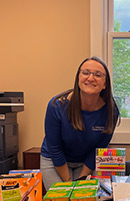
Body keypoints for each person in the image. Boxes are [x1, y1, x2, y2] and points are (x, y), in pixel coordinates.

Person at [40, 56, 120, 191]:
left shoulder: (111, 111)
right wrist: (69, 184)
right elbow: (55, 148)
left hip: (86, 162)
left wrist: (81, 180)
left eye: (98, 75)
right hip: (54, 161)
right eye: (86, 73)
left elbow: (98, 149)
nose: (90, 78)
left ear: (105, 84)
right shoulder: (56, 106)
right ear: (78, 78)